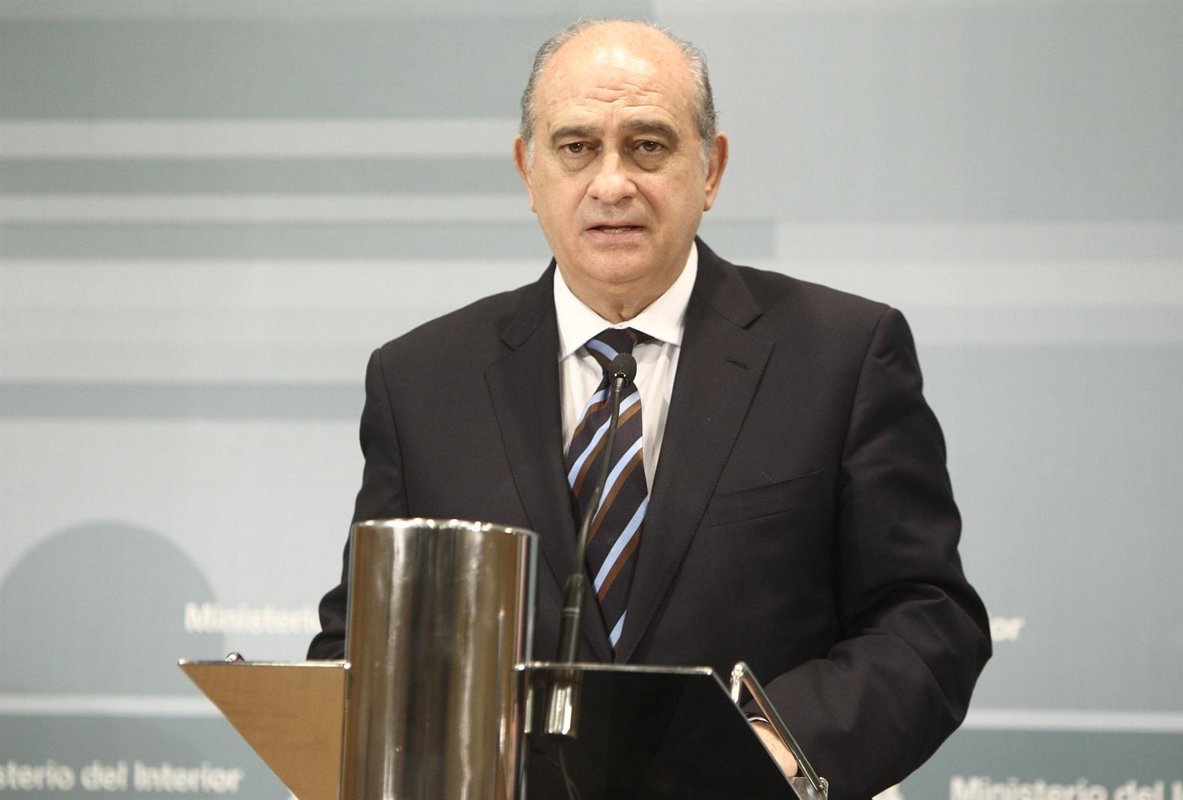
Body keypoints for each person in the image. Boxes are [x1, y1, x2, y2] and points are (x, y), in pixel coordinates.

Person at [308, 18, 991, 799]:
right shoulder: (422, 380)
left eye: (648, 146)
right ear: (528, 170)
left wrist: (779, 743)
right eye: (576, 147)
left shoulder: (842, 355)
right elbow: (361, 644)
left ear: (711, 168)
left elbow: (926, 617)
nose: (611, 184)